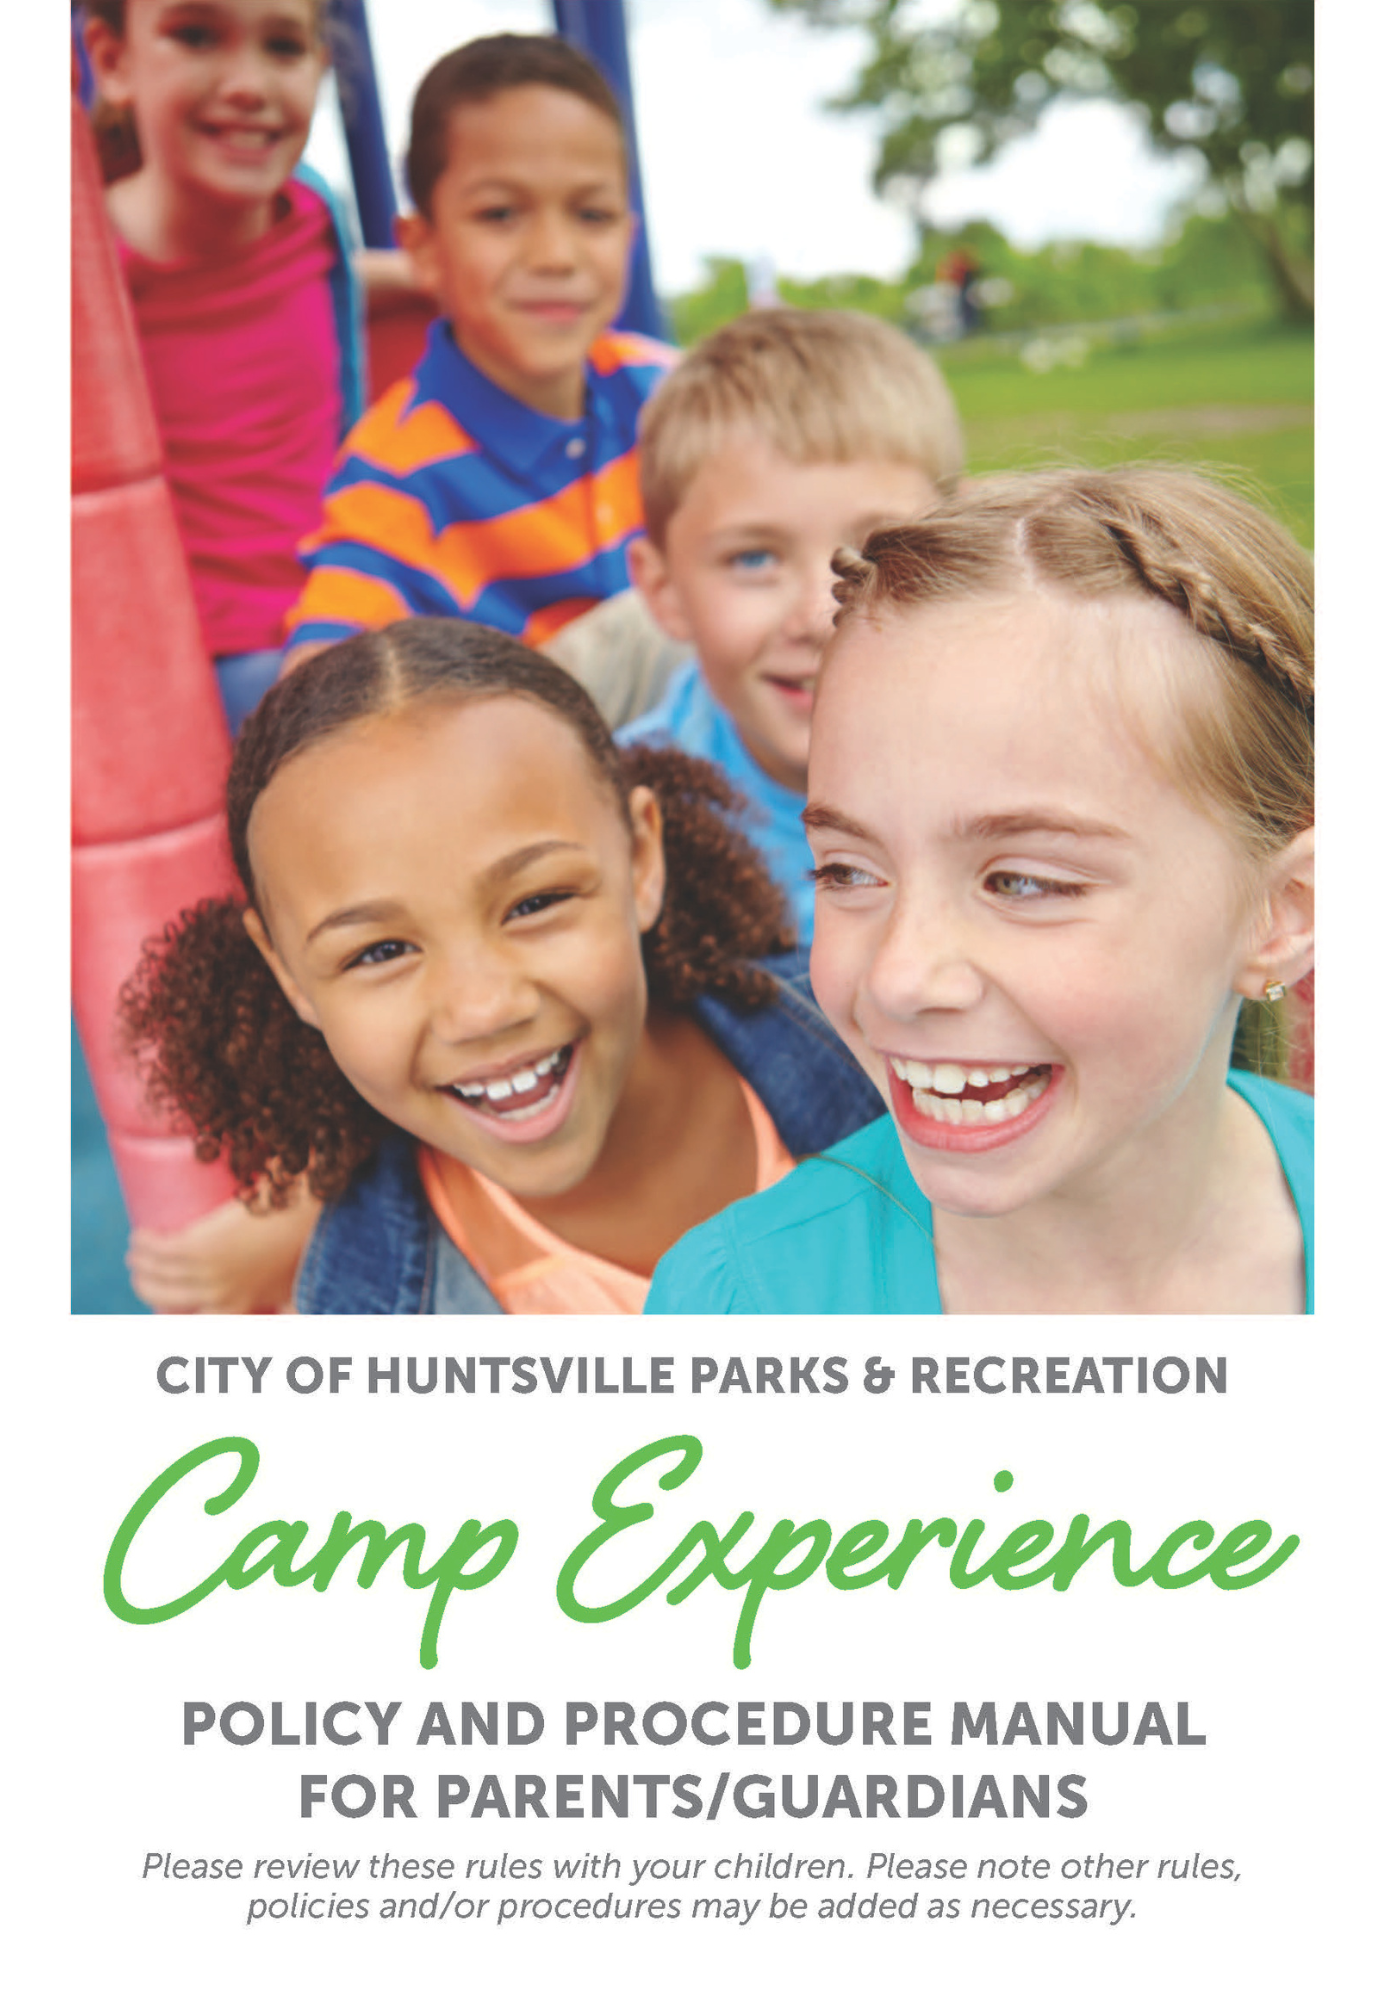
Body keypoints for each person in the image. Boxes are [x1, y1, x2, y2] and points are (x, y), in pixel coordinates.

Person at [644, 467, 1314, 1316]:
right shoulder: (740, 1306)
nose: (897, 977)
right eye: (847, 870)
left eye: (1023, 882)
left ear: (1283, 914)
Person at [120, 620, 883, 1314]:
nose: (483, 1008)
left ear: (641, 858)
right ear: (288, 976)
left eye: (535, 902)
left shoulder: (889, 1059)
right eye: (380, 952)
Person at [283, 33, 675, 663]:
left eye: (591, 215)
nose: (555, 256)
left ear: (629, 237)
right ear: (425, 249)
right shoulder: (397, 478)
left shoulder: (670, 395)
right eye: (500, 215)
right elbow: (318, 686)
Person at [621, 307, 964, 942]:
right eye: (753, 558)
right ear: (664, 591)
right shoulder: (627, 827)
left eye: (876, 549)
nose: (818, 616)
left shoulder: (1023, 756)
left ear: (960, 551)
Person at [83, 0, 364, 734]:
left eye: (282, 46)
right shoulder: (88, 270)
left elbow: (336, 299)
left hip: (350, 603)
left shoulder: (313, 216)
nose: (248, 83)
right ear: (114, 61)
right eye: (197, 35)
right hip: (199, 664)